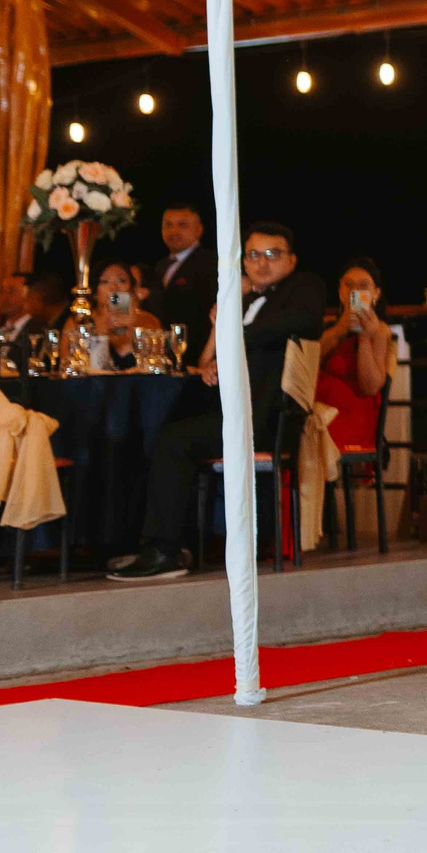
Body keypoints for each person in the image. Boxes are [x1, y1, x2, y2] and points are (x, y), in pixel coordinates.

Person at [109, 222, 326, 581]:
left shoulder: (302, 288)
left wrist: (234, 334)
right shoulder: (241, 297)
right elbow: (206, 356)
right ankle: (151, 541)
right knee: (152, 429)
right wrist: (226, 317)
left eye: (272, 254)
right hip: (228, 410)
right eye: (253, 255)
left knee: (173, 440)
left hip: (267, 418)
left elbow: (303, 321)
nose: (261, 263)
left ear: (291, 260)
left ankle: (165, 550)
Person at [316, 256, 395, 455]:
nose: (355, 291)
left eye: (363, 285)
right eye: (348, 285)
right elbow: (308, 364)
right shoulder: (331, 330)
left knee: (306, 439)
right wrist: (341, 329)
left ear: (376, 293)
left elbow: (370, 387)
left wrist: (364, 338)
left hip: (352, 416)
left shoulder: (379, 330)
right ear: (340, 291)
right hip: (320, 412)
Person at [144, 203, 219, 363]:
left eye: (182, 225)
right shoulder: (160, 266)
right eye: (168, 225)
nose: (174, 231)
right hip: (163, 356)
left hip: (196, 358)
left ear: (199, 229)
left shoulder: (211, 264)